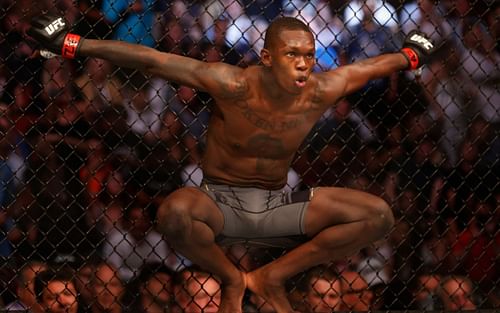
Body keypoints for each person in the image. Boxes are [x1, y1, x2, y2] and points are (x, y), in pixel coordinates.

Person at [27, 14, 434, 313]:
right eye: (292, 54)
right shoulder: (233, 85)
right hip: (220, 204)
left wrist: (413, 54)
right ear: (266, 56)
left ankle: (272, 276)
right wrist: (74, 45)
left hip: (279, 204)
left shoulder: (319, 90)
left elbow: (371, 66)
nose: (303, 64)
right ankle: (231, 277)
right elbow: (154, 60)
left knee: (378, 215)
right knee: (174, 212)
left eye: (309, 55)